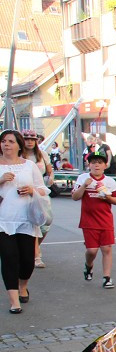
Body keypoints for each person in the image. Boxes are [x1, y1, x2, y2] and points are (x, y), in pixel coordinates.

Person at [0, 129, 49, 313]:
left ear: (19, 145)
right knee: (9, 258)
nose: (6, 144)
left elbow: (43, 189)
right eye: (3, 141)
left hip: (26, 219)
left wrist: (32, 191)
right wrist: (0, 180)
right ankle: (14, 301)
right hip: (3, 221)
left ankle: (23, 286)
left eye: (11, 141)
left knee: (27, 261)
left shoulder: (29, 165)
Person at [72, 152, 116, 289]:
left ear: (105, 165)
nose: (96, 165)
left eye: (99, 162)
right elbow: (75, 197)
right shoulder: (83, 178)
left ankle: (107, 277)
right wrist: (84, 186)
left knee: (106, 248)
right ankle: (88, 266)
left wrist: (106, 197)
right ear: (89, 165)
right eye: (93, 162)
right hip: (89, 220)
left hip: (105, 220)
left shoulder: (110, 182)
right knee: (92, 250)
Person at [21, 131, 54, 269]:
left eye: (32, 139)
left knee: (46, 222)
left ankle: (33, 247)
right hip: (25, 191)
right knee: (32, 223)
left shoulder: (42, 154)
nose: (29, 142)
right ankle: (36, 255)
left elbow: (49, 170)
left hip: (41, 190)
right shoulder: (19, 155)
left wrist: (51, 177)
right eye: (26, 139)